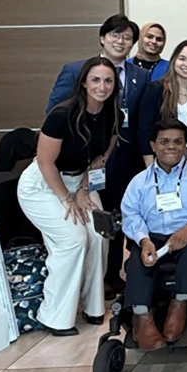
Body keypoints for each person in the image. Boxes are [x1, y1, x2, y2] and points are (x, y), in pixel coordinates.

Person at [46, 14, 152, 298]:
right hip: (83, 161)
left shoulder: (141, 76)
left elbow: (142, 122)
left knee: (118, 216)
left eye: (127, 37)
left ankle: (111, 275)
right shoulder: (76, 70)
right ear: (103, 38)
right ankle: (85, 282)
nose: (121, 41)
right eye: (115, 35)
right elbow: (54, 112)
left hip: (124, 157)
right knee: (90, 220)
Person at [20, 57, 118, 336]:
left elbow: (99, 159)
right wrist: (66, 198)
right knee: (74, 239)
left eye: (108, 81)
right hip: (44, 185)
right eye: (95, 80)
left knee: (99, 235)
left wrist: (83, 190)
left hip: (80, 182)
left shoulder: (113, 115)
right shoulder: (62, 114)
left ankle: (92, 306)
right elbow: (45, 162)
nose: (102, 86)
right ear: (84, 82)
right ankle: (55, 316)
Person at [120, 119, 187, 350]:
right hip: (152, 236)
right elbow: (131, 215)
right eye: (164, 142)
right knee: (138, 259)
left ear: (186, 145)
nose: (171, 147)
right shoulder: (139, 181)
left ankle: (179, 305)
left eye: (178, 141)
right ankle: (141, 316)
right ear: (153, 145)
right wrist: (144, 239)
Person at [138, 40, 187, 162]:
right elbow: (144, 130)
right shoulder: (156, 89)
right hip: (165, 156)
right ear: (174, 61)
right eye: (182, 59)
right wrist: (150, 163)